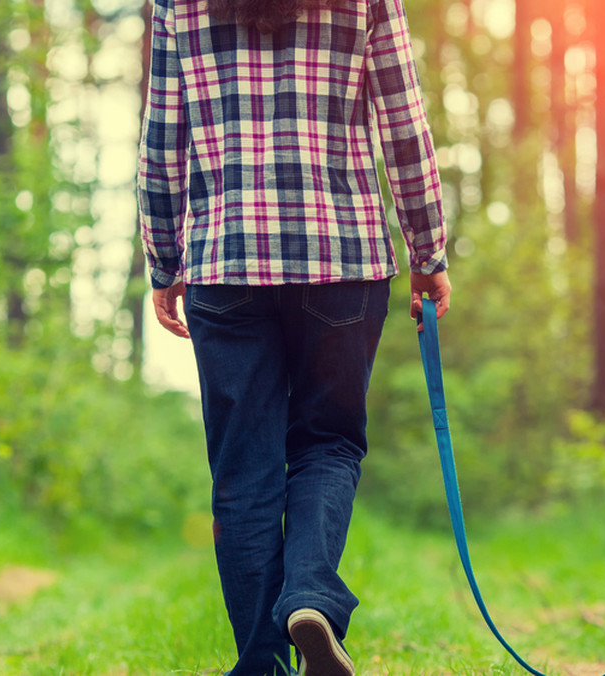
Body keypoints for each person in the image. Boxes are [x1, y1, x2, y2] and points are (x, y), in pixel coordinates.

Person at [137, 0, 451, 672]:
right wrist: (427, 251)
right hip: (341, 255)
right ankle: (309, 593)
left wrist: (165, 259)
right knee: (329, 442)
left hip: (226, 260)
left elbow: (164, 135)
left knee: (243, 471)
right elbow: (402, 119)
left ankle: (260, 661)